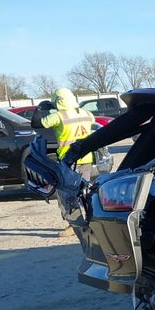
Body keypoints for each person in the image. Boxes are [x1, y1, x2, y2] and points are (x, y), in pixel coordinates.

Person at [31, 87, 95, 236]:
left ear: (58, 102)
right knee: (84, 193)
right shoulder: (87, 114)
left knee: (66, 193)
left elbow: (36, 124)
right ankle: (90, 221)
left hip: (68, 160)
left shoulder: (59, 116)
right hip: (86, 158)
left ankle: (73, 225)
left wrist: (41, 108)